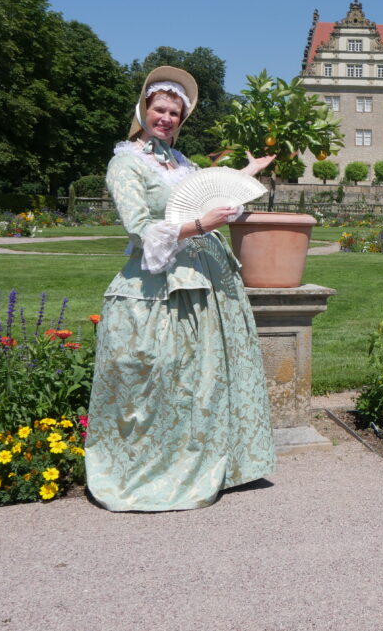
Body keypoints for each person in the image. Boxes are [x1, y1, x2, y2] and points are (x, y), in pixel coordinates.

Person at [85, 66, 276, 511]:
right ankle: (152, 468)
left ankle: (218, 462)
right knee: (160, 375)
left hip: (206, 282)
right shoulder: (126, 161)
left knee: (203, 378)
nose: (166, 118)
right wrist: (198, 225)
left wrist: (246, 172)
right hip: (159, 284)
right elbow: (138, 228)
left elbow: (211, 191)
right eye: (160, 109)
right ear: (144, 109)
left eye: (174, 112)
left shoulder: (181, 162)